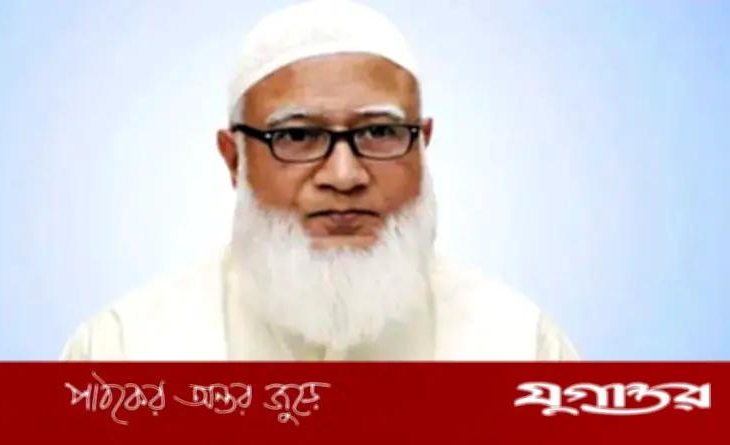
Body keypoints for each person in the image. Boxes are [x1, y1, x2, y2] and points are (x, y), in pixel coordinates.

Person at [60, 0, 579, 361]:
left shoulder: (521, 348)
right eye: (298, 136)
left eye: (379, 132)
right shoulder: (121, 353)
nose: (344, 176)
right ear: (234, 159)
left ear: (422, 145)